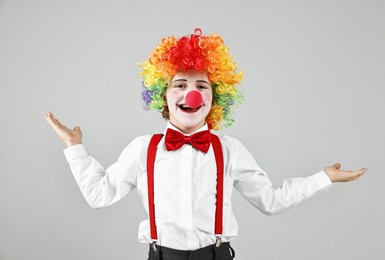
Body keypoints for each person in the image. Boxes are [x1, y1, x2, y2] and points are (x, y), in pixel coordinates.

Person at [44, 28, 367, 260]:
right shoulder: (143, 148)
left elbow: (270, 201)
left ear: (215, 100)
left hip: (216, 256)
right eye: (180, 85)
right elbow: (99, 196)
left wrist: (324, 177)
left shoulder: (230, 150)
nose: (191, 93)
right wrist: (75, 148)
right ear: (163, 96)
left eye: (202, 86)